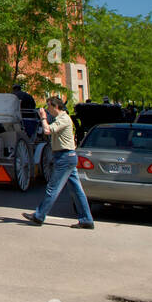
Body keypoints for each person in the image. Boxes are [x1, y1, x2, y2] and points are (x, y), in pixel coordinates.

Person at [23, 95, 95, 229]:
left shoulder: (64, 119)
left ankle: (39, 216)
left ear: (55, 106)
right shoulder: (60, 118)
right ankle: (86, 219)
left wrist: (43, 117)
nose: (47, 109)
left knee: (53, 188)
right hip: (67, 156)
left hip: (65, 157)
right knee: (77, 190)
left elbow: (47, 130)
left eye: (48, 106)